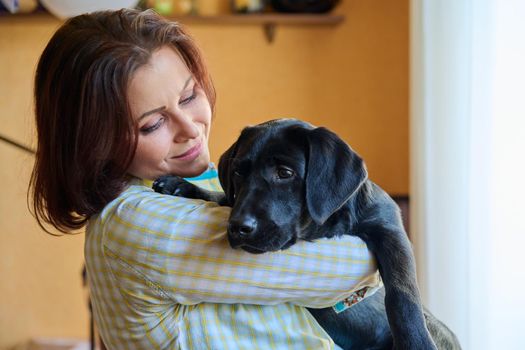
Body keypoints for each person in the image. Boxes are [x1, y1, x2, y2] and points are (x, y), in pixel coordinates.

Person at [30, 8, 380, 349]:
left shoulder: (205, 185)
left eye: (189, 96)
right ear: (94, 141)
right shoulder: (137, 223)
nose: (190, 129)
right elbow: (350, 267)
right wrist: (385, 237)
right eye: (152, 124)